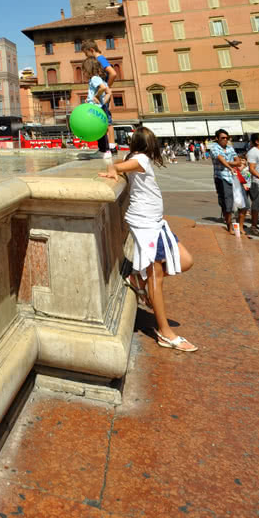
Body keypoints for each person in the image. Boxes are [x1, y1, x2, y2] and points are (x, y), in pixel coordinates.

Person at [100, 126, 197, 352]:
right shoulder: (141, 159)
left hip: (155, 222)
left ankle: (138, 280)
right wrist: (114, 168)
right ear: (149, 145)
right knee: (157, 276)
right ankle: (165, 332)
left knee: (185, 260)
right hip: (146, 225)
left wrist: (115, 167)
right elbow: (115, 165)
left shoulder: (136, 158)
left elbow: (118, 164)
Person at [81, 42, 117, 154]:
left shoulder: (100, 59)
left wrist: (106, 87)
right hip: (102, 94)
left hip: (101, 96)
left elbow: (113, 73)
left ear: (91, 50)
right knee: (104, 121)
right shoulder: (99, 60)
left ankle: (110, 147)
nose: (86, 57)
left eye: (86, 54)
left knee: (106, 122)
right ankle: (108, 147)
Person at [82, 56, 113, 162]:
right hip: (100, 108)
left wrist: (95, 97)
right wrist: (102, 102)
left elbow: (103, 89)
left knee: (100, 130)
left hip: (95, 109)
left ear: (89, 69)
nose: (83, 73)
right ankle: (104, 150)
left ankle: (105, 151)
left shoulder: (94, 78)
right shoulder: (101, 78)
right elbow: (109, 92)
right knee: (101, 130)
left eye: (84, 70)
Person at [209, 130, 240, 233]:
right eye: (223, 138)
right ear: (217, 138)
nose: (225, 140)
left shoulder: (230, 148)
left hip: (233, 178)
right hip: (221, 177)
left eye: (227, 138)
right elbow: (220, 159)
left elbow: (238, 162)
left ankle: (230, 220)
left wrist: (229, 164)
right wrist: (231, 166)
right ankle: (229, 226)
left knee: (235, 201)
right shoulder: (214, 148)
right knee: (227, 202)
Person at [246, 132, 259, 238]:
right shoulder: (253, 152)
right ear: (257, 141)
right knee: (256, 204)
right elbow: (251, 168)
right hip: (256, 183)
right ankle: (253, 226)